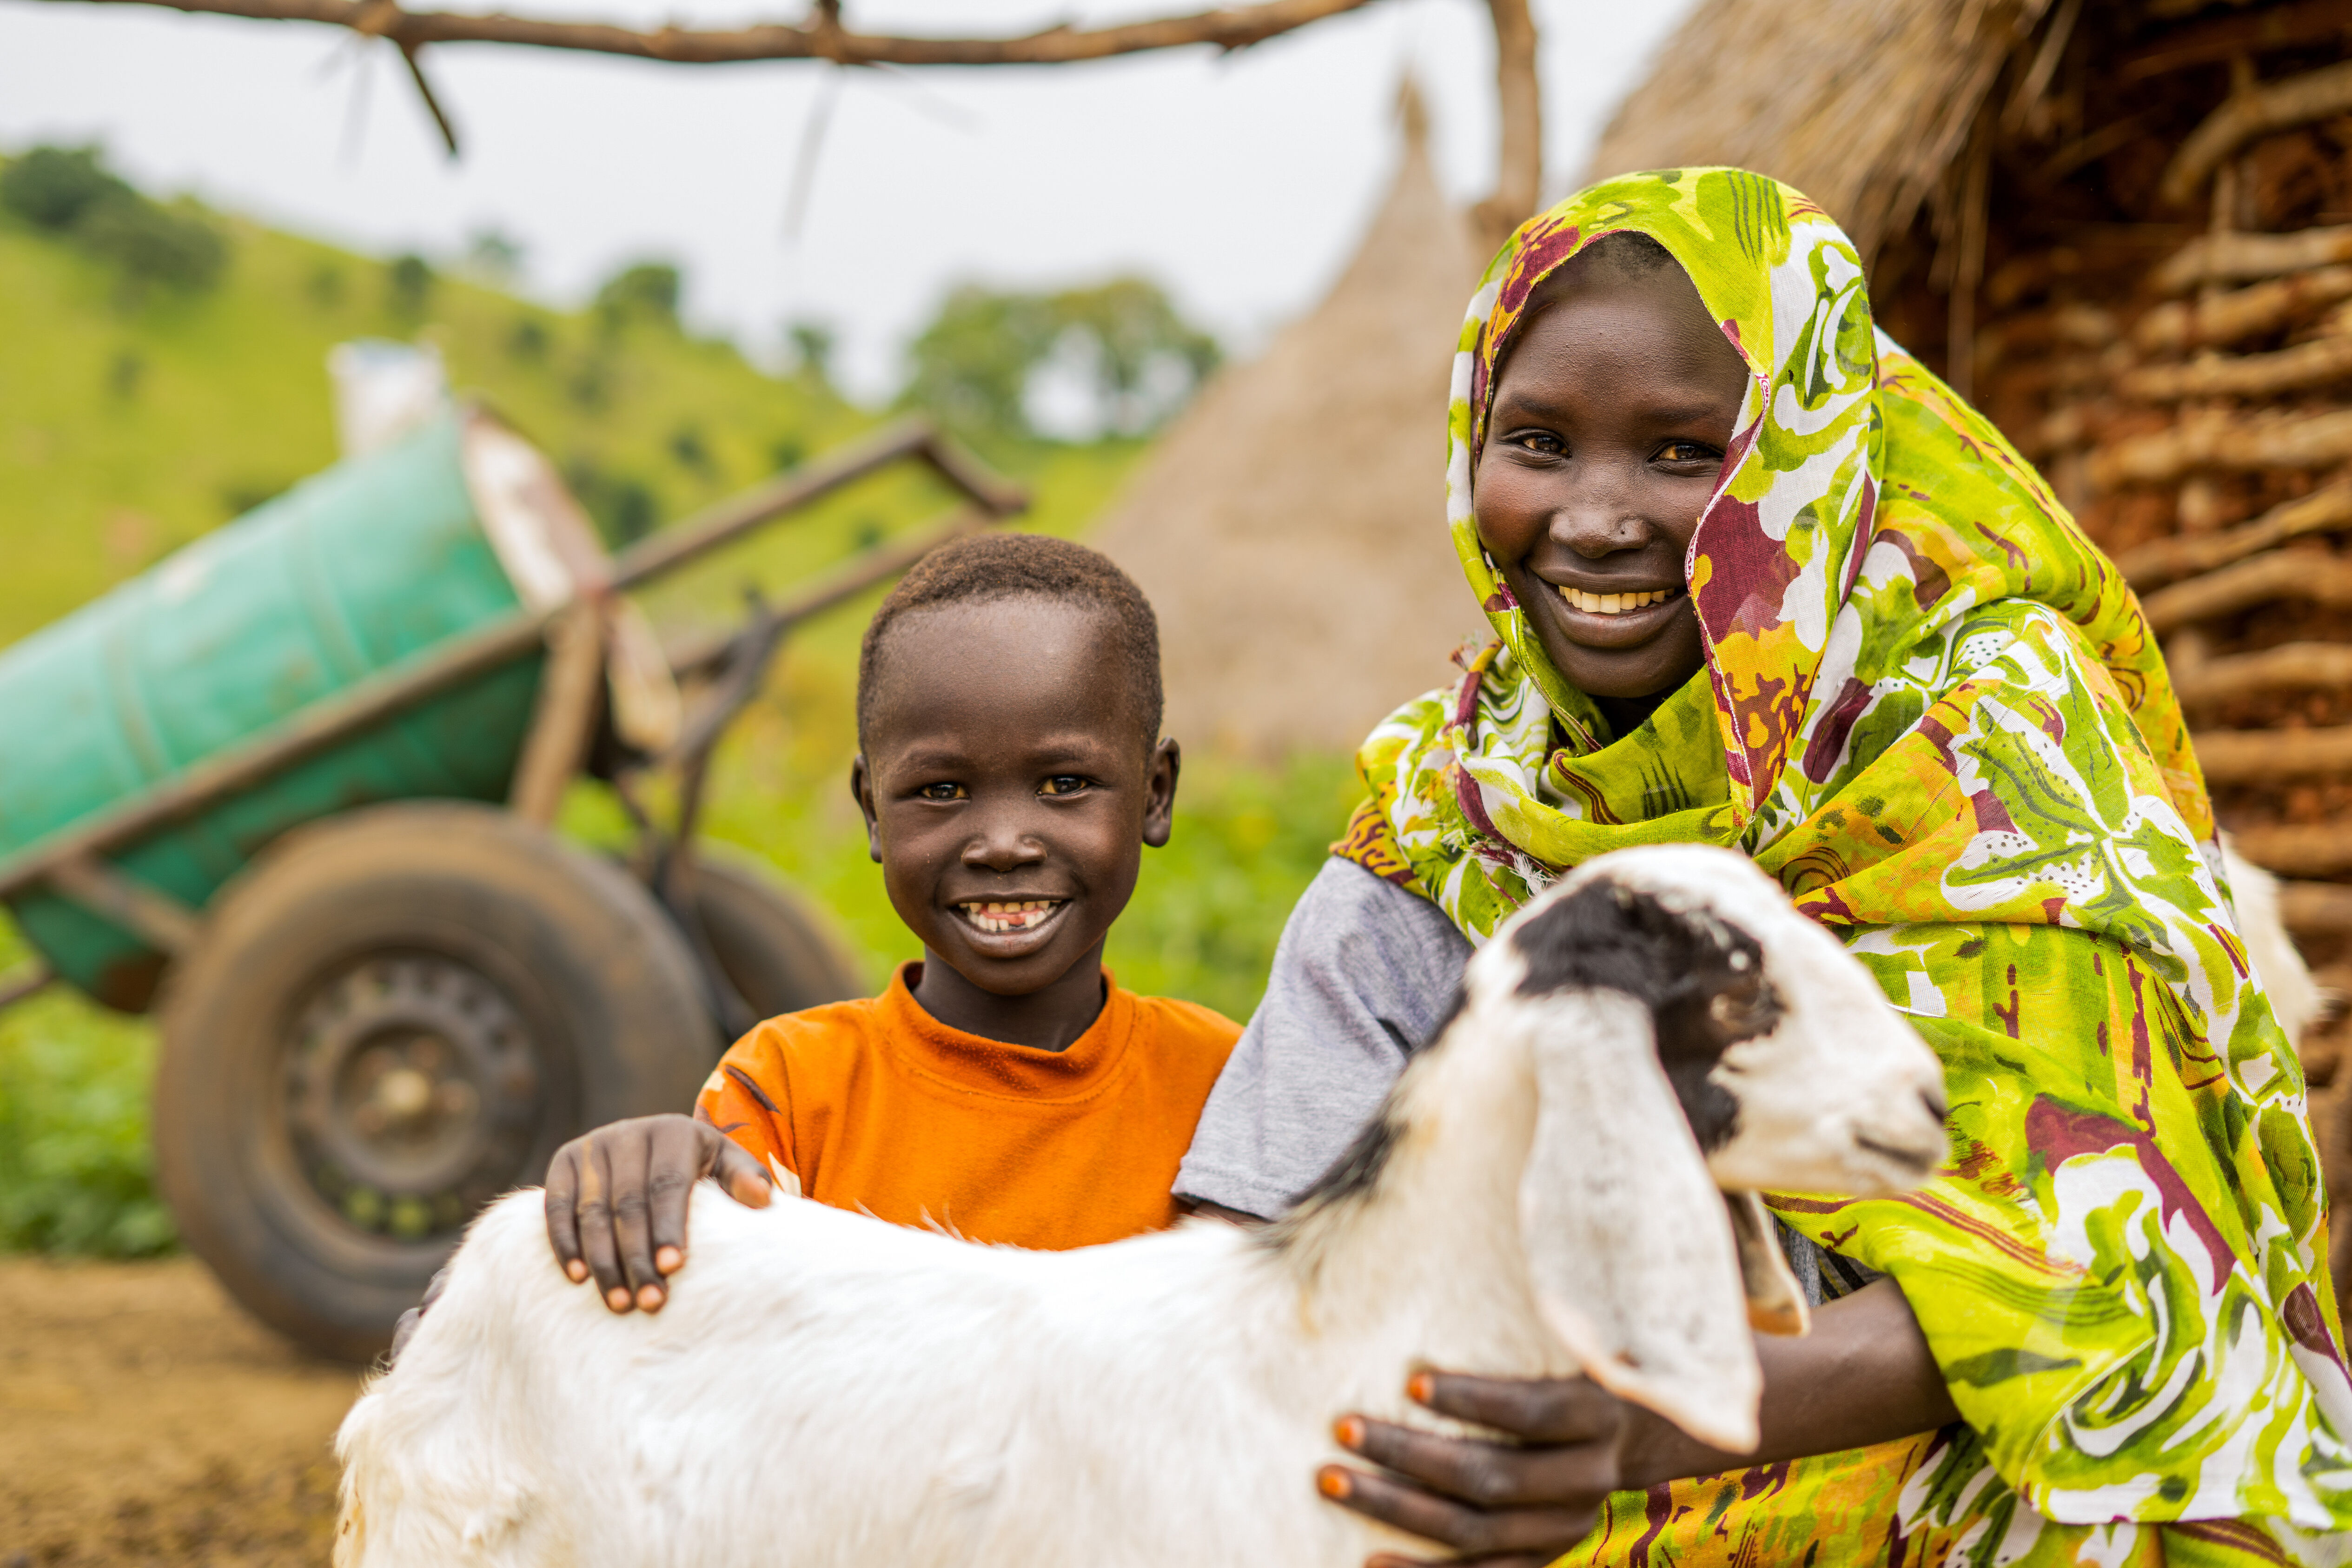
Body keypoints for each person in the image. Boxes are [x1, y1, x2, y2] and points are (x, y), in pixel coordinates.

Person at [1173, 168, 2352, 1565]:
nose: (1596, 519)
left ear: (1808, 455)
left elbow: (2111, 1257)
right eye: (1537, 441)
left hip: (1947, 1493)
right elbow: (1246, 1255)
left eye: (1684, 453)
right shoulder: (1445, 805)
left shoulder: (1987, 752)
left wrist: (1644, 1422)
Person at [538, 533, 1252, 1310]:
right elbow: (702, 1282)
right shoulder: (790, 1094)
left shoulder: (1230, 1086)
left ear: (1154, 793)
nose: (1004, 844)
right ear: (872, 808)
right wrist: (644, 1171)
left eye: (1065, 782)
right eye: (943, 791)